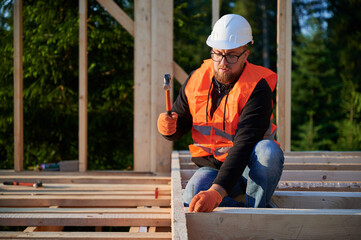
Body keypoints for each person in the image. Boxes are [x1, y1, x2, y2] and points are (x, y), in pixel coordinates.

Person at [157, 14, 284, 212]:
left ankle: (257, 214)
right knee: (191, 198)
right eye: (217, 53)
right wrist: (168, 128)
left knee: (269, 152)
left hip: (250, 170)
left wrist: (216, 193)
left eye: (231, 55)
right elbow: (178, 122)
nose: (223, 62)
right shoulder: (196, 80)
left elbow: (244, 146)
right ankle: (249, 210)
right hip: (214, 168)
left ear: (245, 55)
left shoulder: (257, 88)